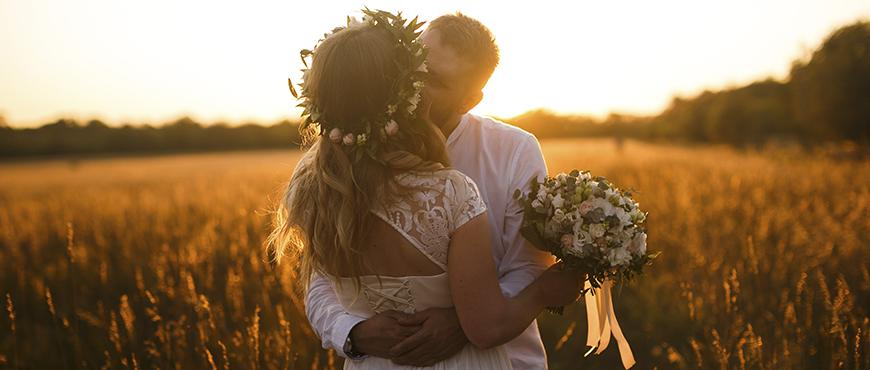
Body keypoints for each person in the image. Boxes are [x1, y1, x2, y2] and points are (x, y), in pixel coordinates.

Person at [274, 10, 581, 369]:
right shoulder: (331, 165)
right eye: (412, 65)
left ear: (470, 100)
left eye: (433, 80)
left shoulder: (514, 150)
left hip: (505, 358)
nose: (413, 83)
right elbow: (319, 277)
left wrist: (464, 323)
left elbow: (527, 265)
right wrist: (352, 331)